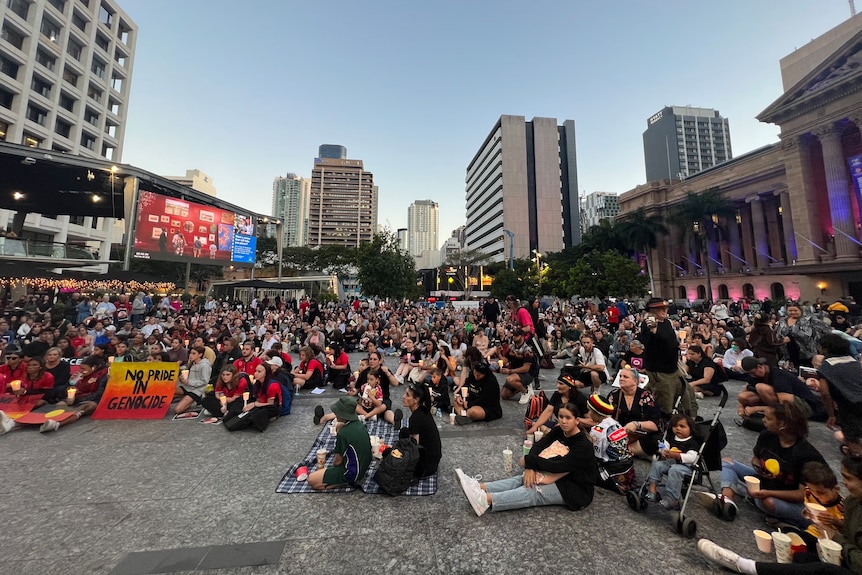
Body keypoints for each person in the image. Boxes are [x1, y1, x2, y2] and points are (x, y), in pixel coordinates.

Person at [698, 455, 862, 575]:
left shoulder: (844, 502)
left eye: (848, 478)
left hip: (851, 558)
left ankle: (744, 565)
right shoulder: (852, 502)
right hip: (840, 548)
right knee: (801, 558)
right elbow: (848, 532)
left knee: (823, 569)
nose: (845, 483)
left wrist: (835, 536)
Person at [454, 402, 596, 516]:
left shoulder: (583, 445)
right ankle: (479, 487)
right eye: (560, 417)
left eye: (568, 418)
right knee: (522, 479)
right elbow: (539, 445)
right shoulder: (560, 431)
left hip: (575, 488)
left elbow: (562, 465)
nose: (563, 421)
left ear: (577, 420)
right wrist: (530, 467)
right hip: (557, 474)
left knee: (533, 491)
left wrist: (529, 462)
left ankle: (485, 500)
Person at [720, 402, 827, 529]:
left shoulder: (806, 455)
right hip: (766, 483)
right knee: (726, 463)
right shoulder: (767, 435)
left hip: (796, 500)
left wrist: (766, 493)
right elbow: (756, 458)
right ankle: (727, 501)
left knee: (768, 502)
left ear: (782, 425)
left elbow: (801, 495)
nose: (763, 420)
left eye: (768, 418)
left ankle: (792, 521)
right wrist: (759, 467)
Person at [639, 297, 697, 417]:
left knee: (685, 395)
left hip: (673, 367)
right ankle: (665, 423)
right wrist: (653, 332)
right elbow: (650, 345)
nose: (664, 310)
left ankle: (687, 418)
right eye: (660, 308)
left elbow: (668, 341)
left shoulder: (666, 322)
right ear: (652, 311)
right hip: (660, 369)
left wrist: (678, 346)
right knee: (665, 400)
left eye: (665, 308)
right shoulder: (647, 324)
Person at [308, 396, 372, 490]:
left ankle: (345, 482)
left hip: (352, 472)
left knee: (312, 480)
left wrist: (332, 471)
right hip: (363, 467)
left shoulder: (343, 433)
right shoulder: (360, 425)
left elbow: (337, 462)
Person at [34, 355, 109, 433]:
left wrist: (77, 399)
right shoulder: (79, 376)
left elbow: (99, 393)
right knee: (61, 404)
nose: (81, 370)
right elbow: (65, 392)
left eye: (83, 369)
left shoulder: (102, 376)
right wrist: (70, 383)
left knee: (89, 406)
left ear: (94, 368)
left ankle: (58, 424)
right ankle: (50, 419)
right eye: (80, 368)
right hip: (76, 398)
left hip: (90, 400)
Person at [739, 356, 826, 421]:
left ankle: (774, 414)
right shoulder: (754, 375)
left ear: (760, 367)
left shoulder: (779, 377)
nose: (752, 375)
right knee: (743, 396)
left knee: (761, 387)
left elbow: (785, 405)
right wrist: (741, 407)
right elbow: (744, 393)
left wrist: (756, 409)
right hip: (782, 402)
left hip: (804, 406)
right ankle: (769, 410)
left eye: (753, 373)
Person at [644, 414, 702, 510]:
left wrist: (677, 455)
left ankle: (672, 498)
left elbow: (692, 458)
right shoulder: (671, 438)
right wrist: (663, 451)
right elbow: (664, 447)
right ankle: (652, 490)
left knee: (675, 470)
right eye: (675, 426)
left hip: (687, 467)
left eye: (682, 426)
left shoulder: (692, 443)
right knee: (657, 465)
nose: (678, 429)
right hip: (671, 463)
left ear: (690, 429)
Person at [585, 393, 636, 494]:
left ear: (597, 412)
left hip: (612, 470)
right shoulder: (616, 423)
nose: (588, 413)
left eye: (590, 410)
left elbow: (596, 456)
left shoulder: (597, 431)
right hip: (627, 466)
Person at [607, 367, 663, 458]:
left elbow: (655, 424)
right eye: (620, 376)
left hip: (641, 434)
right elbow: (606, 418)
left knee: (655, 441)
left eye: (625, 377)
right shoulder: (613, 395)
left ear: (635, 381)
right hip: (620, 434)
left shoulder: (646, 396)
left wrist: (635, 424)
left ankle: (623, 450)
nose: (621, 378)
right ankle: (633, 451)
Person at [817, 333, 862, 444]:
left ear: (825, 349)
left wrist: (831, 414)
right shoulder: (853, 361)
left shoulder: (826, 366)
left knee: (851, 438)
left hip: (849, 405)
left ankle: (856, 455)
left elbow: (824, 392)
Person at [223, 363, 282, 432]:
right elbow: (256, 397)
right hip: (260, 402)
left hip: (272, 407)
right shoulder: (257, 383)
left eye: (259, 372)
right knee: (241, 400)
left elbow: (270, 404)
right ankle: (231, 416)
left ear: (266, 373)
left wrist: (254, 404)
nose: (255, 373)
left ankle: (240, 421)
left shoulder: (272, 385)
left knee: (257, 412)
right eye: (256, 371)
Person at [401, 383, 442, 478]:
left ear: (416, 400)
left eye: (407, 395)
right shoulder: (423, 410)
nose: (403, 396)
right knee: (404, 432)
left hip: (426, 467)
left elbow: (414, 448)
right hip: (433, 460)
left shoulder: (415, 418)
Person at [776, 302, 830, 368]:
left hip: (806, 351)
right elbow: (777, 332)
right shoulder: (782, 320)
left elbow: (823, 330)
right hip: (788, 351)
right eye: (790, 310)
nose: (793, 312)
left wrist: (791, 337)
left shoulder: (809, 319)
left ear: (800, 310)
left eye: (795, 310)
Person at [453, 360, 502, 425]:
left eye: (478, 375)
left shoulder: (491, 383)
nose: (476, 377)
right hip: (470, 401)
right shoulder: (472, 375)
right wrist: (459, 396)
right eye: (475, 374)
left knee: (473, 411)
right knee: (455, 400)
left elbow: (483, 399)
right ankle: (464, 416)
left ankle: (463, 414)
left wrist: (469, 404)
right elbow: (465, 385)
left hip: (486, 407)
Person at [499, 328, 536, 403]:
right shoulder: (511, 347)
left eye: (516, 335)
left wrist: (510, 371)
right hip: (515, 373)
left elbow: (526, 368)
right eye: (513, 335)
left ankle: (525, 392)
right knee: (504, 395)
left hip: (526, 374)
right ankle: (523, 386)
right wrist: (498, 353)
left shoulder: (527, 350)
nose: (514, 337)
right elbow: (505, 360)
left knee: (510, 379)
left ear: (522, 337)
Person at [174, 346, 211, 415]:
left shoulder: (205, 365)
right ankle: (185, 398)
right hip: (187, 387)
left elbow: (205, 381)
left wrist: (189, 382)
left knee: (177, 410)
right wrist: (182, 378)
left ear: (200, 355)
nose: (191, 355)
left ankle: (196, 400)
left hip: (196, 390)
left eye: (194, 353)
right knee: (170, 391)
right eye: (190, 353)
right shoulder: (191, 363)